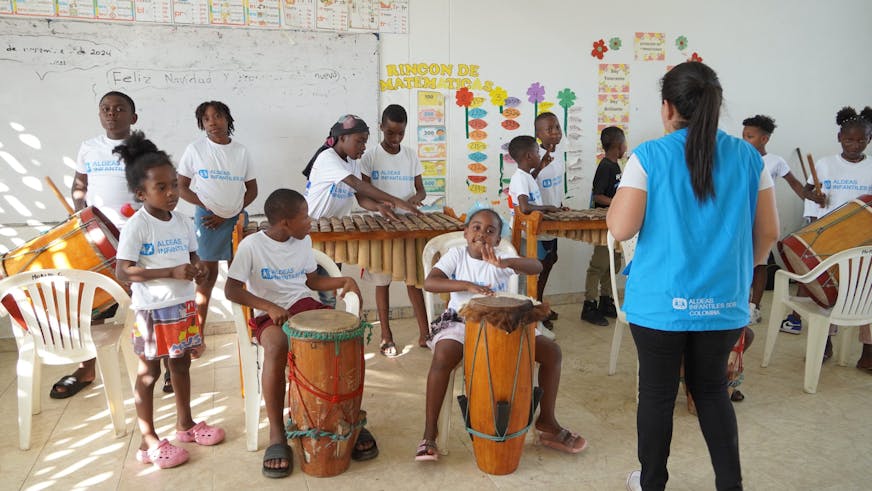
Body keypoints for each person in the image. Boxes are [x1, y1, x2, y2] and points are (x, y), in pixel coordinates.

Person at [608, 62, 779, 491]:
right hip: (724, 304)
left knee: (657, 396)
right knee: (712, 392)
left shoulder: (648, 156)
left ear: (668, 107)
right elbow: (769, 234)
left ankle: (652, 484)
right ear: (716, 106)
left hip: (660, 306)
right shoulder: (749, 158)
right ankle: (729, 485)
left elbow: (621, 228)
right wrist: (738, 271)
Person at [415, 208, 587, 460]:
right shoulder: (456, 255)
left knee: (552, 353)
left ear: (497, 239)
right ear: (465, 232)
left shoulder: (502, 257)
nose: (482, 234)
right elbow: (431, 282)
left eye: (490, 230)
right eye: (476, 227)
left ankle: (547, 422)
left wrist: (505, 263)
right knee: (443, 356)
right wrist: (466, 285)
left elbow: (536, 265)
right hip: (462, 319)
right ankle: (430, 434)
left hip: (503, 321)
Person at [225, 189, 375, 478]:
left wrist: (344, 279)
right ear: (284, 222)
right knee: (276, 345)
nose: (310, 221)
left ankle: (349, 418)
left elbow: (312, 280)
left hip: (303, 304)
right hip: (267, 315)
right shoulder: (251, 246)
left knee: (342, 340)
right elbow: (231, 289)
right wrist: (268, 306)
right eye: (304, 217)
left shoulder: (302, 240)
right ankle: (277, 434)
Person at [114, 131, 225, 470]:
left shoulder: (182, 221)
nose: (172, 193)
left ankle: (186, 425)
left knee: (181, 365)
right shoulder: (137, 226)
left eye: (174, 185)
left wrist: (198, 272)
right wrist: (169, 272)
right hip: (152, 311)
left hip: (181, 307)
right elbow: (123, 272)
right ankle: (148, 440)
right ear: (140, 193)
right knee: (148, 373)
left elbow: (191, 259)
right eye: (161, 187)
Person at [53, 91, 140, 400]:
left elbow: (153, 188)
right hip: (96, 237)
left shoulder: (142, 149)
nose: (111, 113)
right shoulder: (89, 148)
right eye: (105, 108)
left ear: (133, 117)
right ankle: (86, 367)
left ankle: (164, 363)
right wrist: (80, 213)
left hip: (135, 238)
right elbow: (80, 186)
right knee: (93, 304)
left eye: (119, 108)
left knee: (148, 303)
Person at [302, 114, 420, 307]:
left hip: (332, 233)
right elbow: (358, 184)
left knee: (329, 295)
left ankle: (327, 332)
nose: (364, 147)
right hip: (311, 232)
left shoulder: (352, 161)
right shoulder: (327, 158)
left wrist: (378, 206)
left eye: (365, 142)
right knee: (302, 289)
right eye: (360, 142)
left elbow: (359, 195)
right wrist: (396, 201)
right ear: (342, 138)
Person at [178, 100, 258, 361]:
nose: (213, 122)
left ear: (227, 119)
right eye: (207, 118)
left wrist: (231, 214)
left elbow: (252, 190)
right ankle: (197, 336)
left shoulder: (241, 151)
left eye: (218, 116)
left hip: (234, 220)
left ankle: (251, 332)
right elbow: (182, 187)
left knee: (242, 276)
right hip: (208, 220)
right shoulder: (195, 149)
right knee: (206, 278)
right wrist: (209, 207)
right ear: (202, 124)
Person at [795, 106, 872, 365]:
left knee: (866, 293)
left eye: (861, 139)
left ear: (869, 139)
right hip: (829, 240)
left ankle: (868, 350)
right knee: (828, 292)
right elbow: (807, 191)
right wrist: (815, 196)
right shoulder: (825, 164)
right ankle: (825, 341)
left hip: (862, 240)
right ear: (839, 138)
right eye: (849, 139)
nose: (855, 144)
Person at [741, 115, 826, 327]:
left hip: (762, 219)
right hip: (739, 220)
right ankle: (738, 303)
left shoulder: (775, 162)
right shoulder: (737, 157)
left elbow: (796, 185)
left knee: (760, 263)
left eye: (749, 136)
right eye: (743, 135)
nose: (744, 140)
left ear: (764, 139)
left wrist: (812, 197)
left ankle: (754, 306)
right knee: (740, 262)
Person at [359, 105, 430, 353]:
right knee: (382, 282)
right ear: (381, 127)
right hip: (380, 227)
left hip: (408, 226)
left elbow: (421, 189)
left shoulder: (411, 155)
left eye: (400, 133)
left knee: (414, 281)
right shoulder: (369, 157)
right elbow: (361, 197)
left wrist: (414, 199)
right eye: (390, 133)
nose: (395, 138)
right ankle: (386, 335)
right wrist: (379, 207)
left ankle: (425, 334)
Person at [507, 135, 564, 303]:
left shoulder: (525, 176)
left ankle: (532, 309)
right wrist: (547, 207)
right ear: (528, 156)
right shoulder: (519, 178)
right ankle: (526, 312)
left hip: (531, 231)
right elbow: (524, 207)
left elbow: (530, 181)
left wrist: (540, 166)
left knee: (537, 269)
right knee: (527, 277)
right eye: (537, 153)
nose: (540, 155)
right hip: (525, 234)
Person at [581, 126, 626, 326]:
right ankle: (589, 304)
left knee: (613, 263)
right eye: (624, 142)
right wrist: (617, 203)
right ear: (618, 145)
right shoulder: (606, 166)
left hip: (615, 220)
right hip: (603, 222)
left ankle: (606, 301)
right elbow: (598, 195)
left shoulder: (616, 165)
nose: (626, 146)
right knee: (598, 265)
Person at [533, 112, 565, 327]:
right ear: (538, 134)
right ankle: (535, 310)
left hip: (554, 220)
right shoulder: (532, 155)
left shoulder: (559, 155)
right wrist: (539, 166)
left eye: (557, 128)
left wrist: (561, 205)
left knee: (550, 261)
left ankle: (539, 304)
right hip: (538, 223)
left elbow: (554, 187)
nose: (554, 132)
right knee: (539, 267)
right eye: (549, 129)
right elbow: (525, 182)